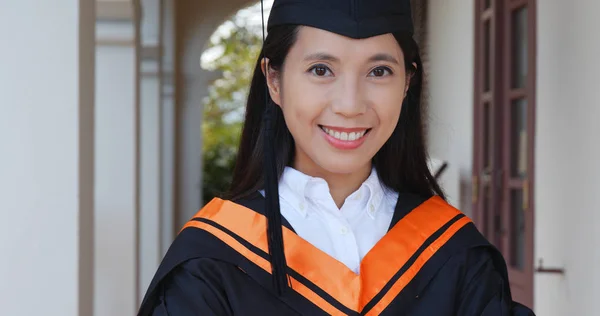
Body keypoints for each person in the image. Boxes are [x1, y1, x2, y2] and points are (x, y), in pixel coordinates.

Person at [138, 0, 536, 315]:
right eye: (321, 69)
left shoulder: (456, 257)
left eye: (379, 71)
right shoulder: (212, 264)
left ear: (407, 83)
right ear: (273, 80)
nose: (350, 105)